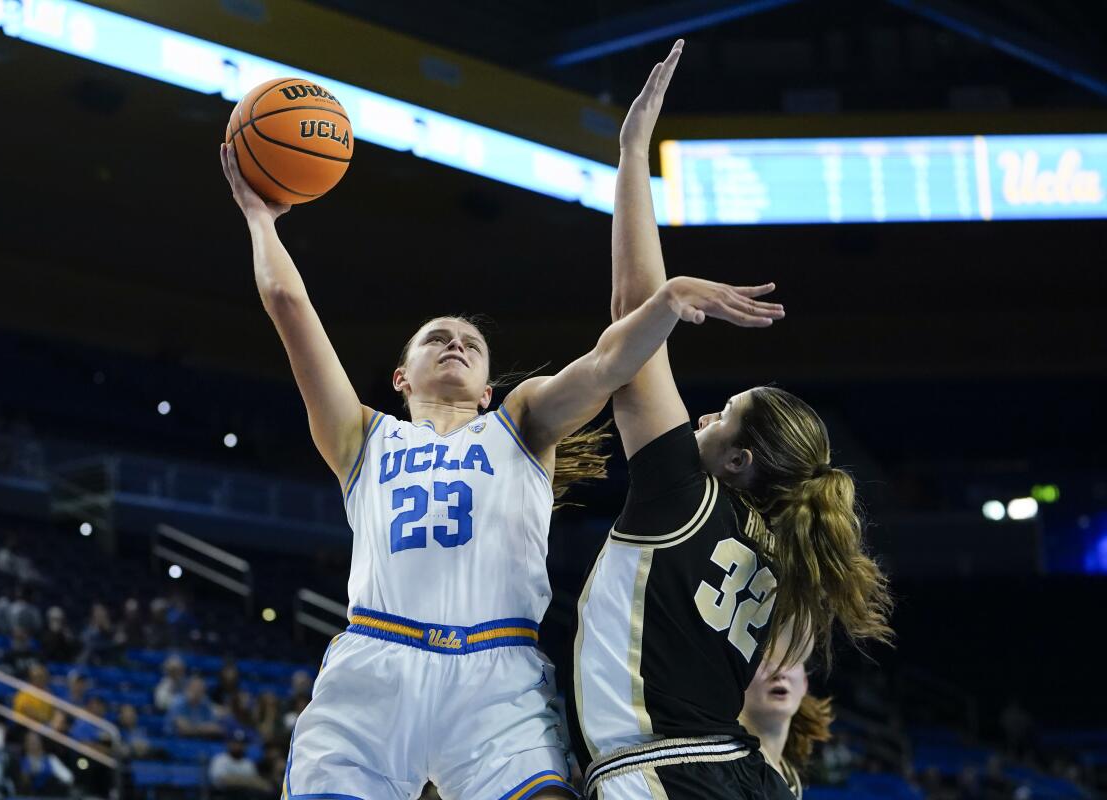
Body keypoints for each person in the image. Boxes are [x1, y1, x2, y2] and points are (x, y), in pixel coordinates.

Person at [220, 140, 755, 800]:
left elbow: (608, 365)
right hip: (377, 668)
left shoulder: (521, 421)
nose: (455, 344)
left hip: (498, 676)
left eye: (471, 344)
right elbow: (287, 304)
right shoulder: (360, 435)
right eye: (437, 339)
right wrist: (260, 220)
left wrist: (664, 303)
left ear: (485, 392)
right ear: (400, 376)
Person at [568, 41, 892, 800]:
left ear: (740, 461)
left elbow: (631, 321)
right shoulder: (788, 556)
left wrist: (632, 152)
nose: (703, 413)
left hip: (668, 778)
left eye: (723, 415)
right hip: (741, 773)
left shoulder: (684, 495)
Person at [738, 636, 834, 798]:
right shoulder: (717, 765)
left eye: (791, 660)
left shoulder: (790, 778)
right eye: (763, 660)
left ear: (804, 683)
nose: (779, 672)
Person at [208, 727, 271, 800]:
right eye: (235, 742)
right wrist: (247, 781)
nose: (238, 746)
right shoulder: (219, 760)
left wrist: (241, 780)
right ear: (228, 743)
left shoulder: (248, 763)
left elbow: (257, 782)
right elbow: (223, 780)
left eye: (241, 743)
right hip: (224, 796)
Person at [14, 731, 74, 797]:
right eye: (29, 741)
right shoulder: (20, 762)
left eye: (35, 741)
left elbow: (68, 778)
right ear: (25, 744)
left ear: (41, 743)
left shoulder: (51, 759)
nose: (32, 744)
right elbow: (21, 784)